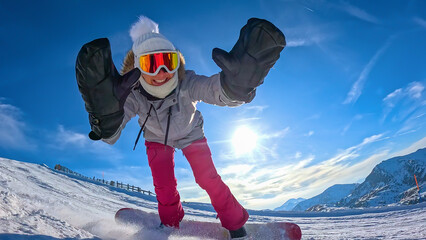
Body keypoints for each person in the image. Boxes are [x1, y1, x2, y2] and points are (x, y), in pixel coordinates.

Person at [76, 16, 285, 239]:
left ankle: (235, 224)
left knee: (208, 179)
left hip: (190, 132)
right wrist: (106, 116)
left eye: (168, 61)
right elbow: (113, 130)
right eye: (151, 64)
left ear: (177, 63)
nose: (161, 72)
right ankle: (170, 222)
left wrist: (234, 87)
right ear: (138, 68)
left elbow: (213, 90)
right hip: (156, 137)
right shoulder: (133, 94)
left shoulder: (187, 82)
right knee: (164, 185)